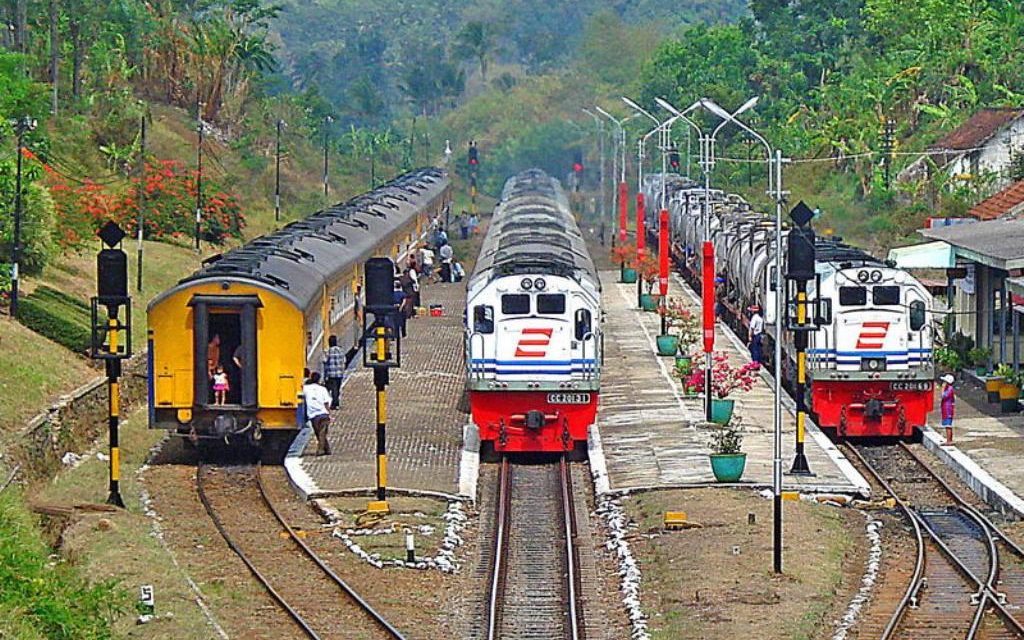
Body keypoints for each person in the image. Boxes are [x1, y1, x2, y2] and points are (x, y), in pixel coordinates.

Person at [303, 372, 334, 456]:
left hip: (313, 415)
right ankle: (324, 449)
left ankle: (323, 450)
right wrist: (329, 413)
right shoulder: (323, 389)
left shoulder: (306, 389)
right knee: (322, 433)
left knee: (319, 433)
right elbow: (327, 402)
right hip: (323, 413)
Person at [323, 335, 345, 410]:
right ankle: (336, 403)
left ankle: (335, 404)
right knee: (337, 389)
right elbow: (344, 360)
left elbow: (325, 362)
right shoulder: (341, 350)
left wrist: (325, 376)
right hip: (340, 373)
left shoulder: (328, 352)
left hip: (331, 374)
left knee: (334, 389)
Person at [940, 373, 956, 445]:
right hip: (945, 408)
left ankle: (949, 440)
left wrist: (942, 389)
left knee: (948, 425)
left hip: (948, 408)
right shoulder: (949, 388)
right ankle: (949, 439)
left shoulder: (949, 389)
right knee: (947, 424)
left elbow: (943, 396)